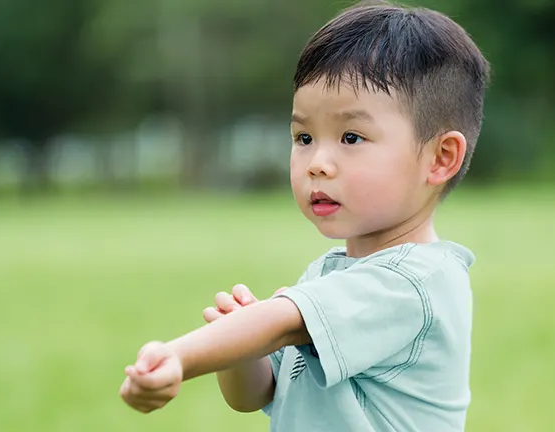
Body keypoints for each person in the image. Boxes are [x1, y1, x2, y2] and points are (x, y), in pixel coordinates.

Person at [118, 1, 490, 430]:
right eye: (304, 137)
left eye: (351, 137)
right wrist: (243, 349)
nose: (318, 162)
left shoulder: (415, 283)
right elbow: (258, 394)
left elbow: (280, 324)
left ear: (440, 158)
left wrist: (179, 356)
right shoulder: (332, 273)